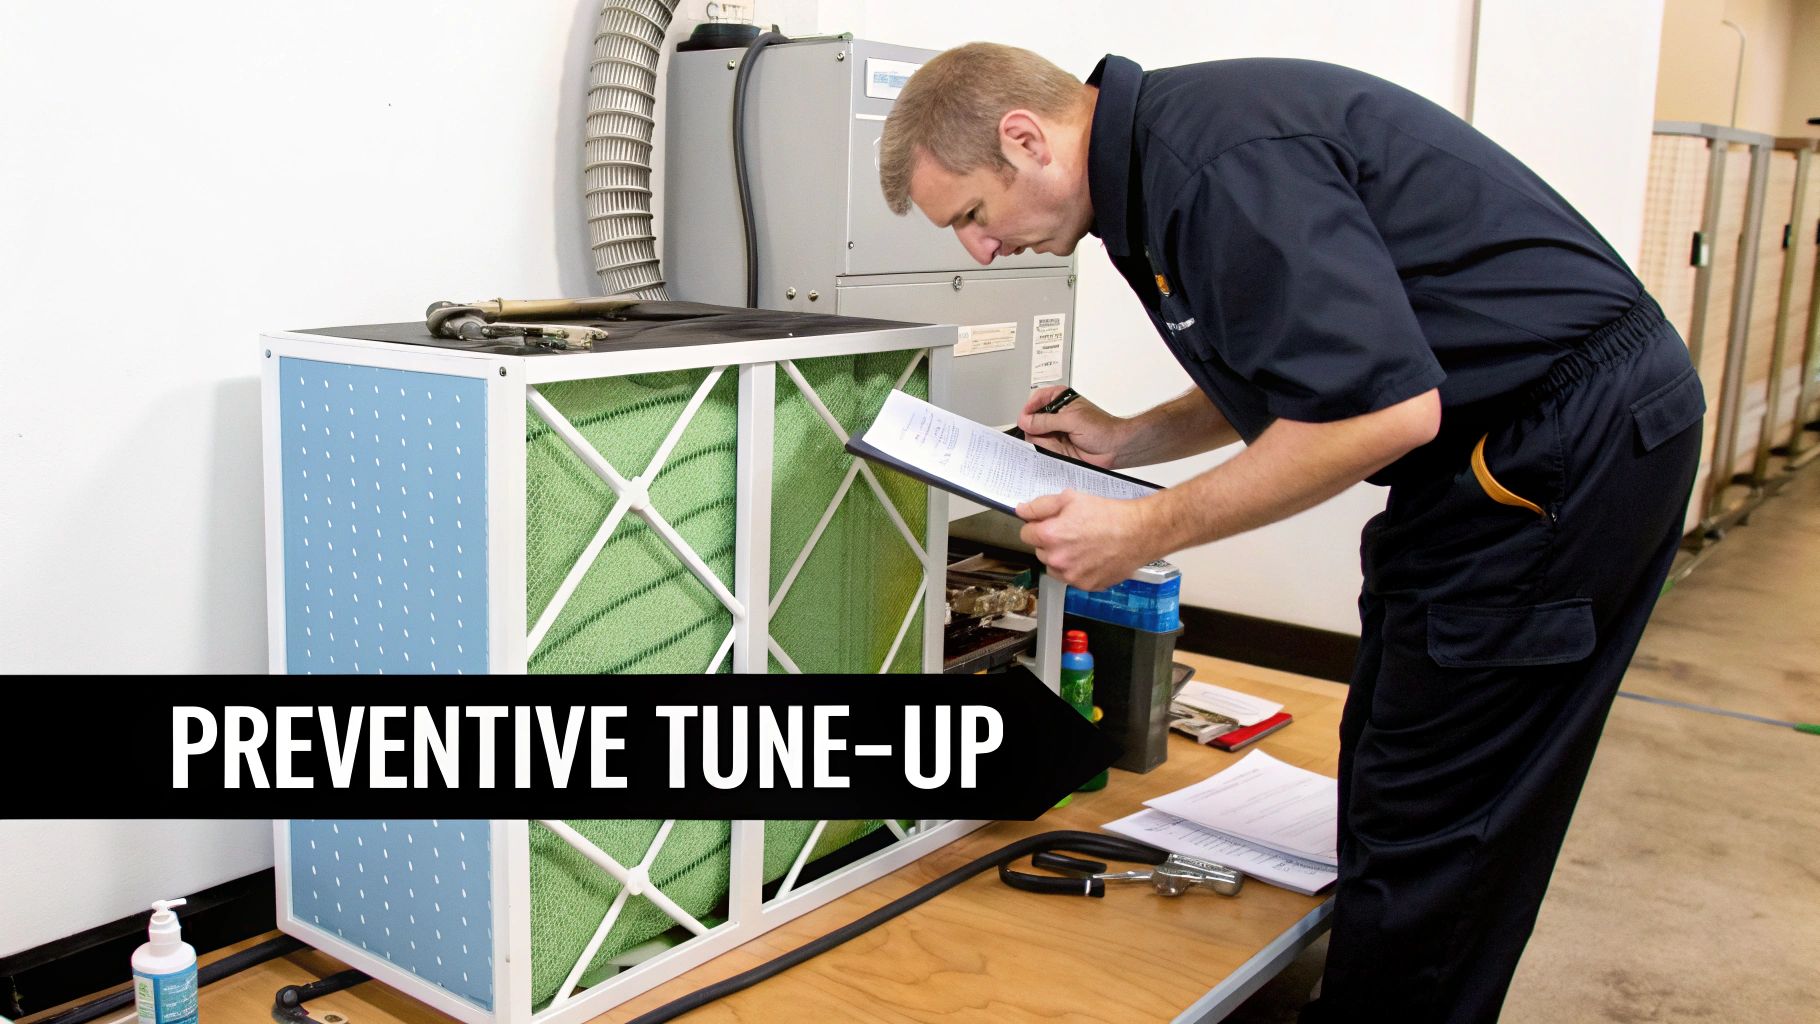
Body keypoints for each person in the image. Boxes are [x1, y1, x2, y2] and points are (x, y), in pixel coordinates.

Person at [879, 43, 1707, 1023]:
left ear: (1025, 140)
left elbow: (1378, 412)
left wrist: (1139, 529)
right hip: (1506, 442)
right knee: (1393, 757)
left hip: (1557, 445)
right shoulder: (1158, 169)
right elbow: (1303, 363)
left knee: (1443, 812)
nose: (978, 251)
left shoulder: (1212, 168)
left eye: (971, 215)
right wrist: (1130, 436)